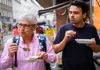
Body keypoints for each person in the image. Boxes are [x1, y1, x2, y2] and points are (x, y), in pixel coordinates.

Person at [53, 1, 100, 70]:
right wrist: (65, 39)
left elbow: (97, 49)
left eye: (76, 13)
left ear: (84, 15)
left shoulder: (91, 28)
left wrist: (93, 46)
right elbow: (55, 50)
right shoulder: (64, 28)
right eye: (70, 12)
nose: (72, 15)